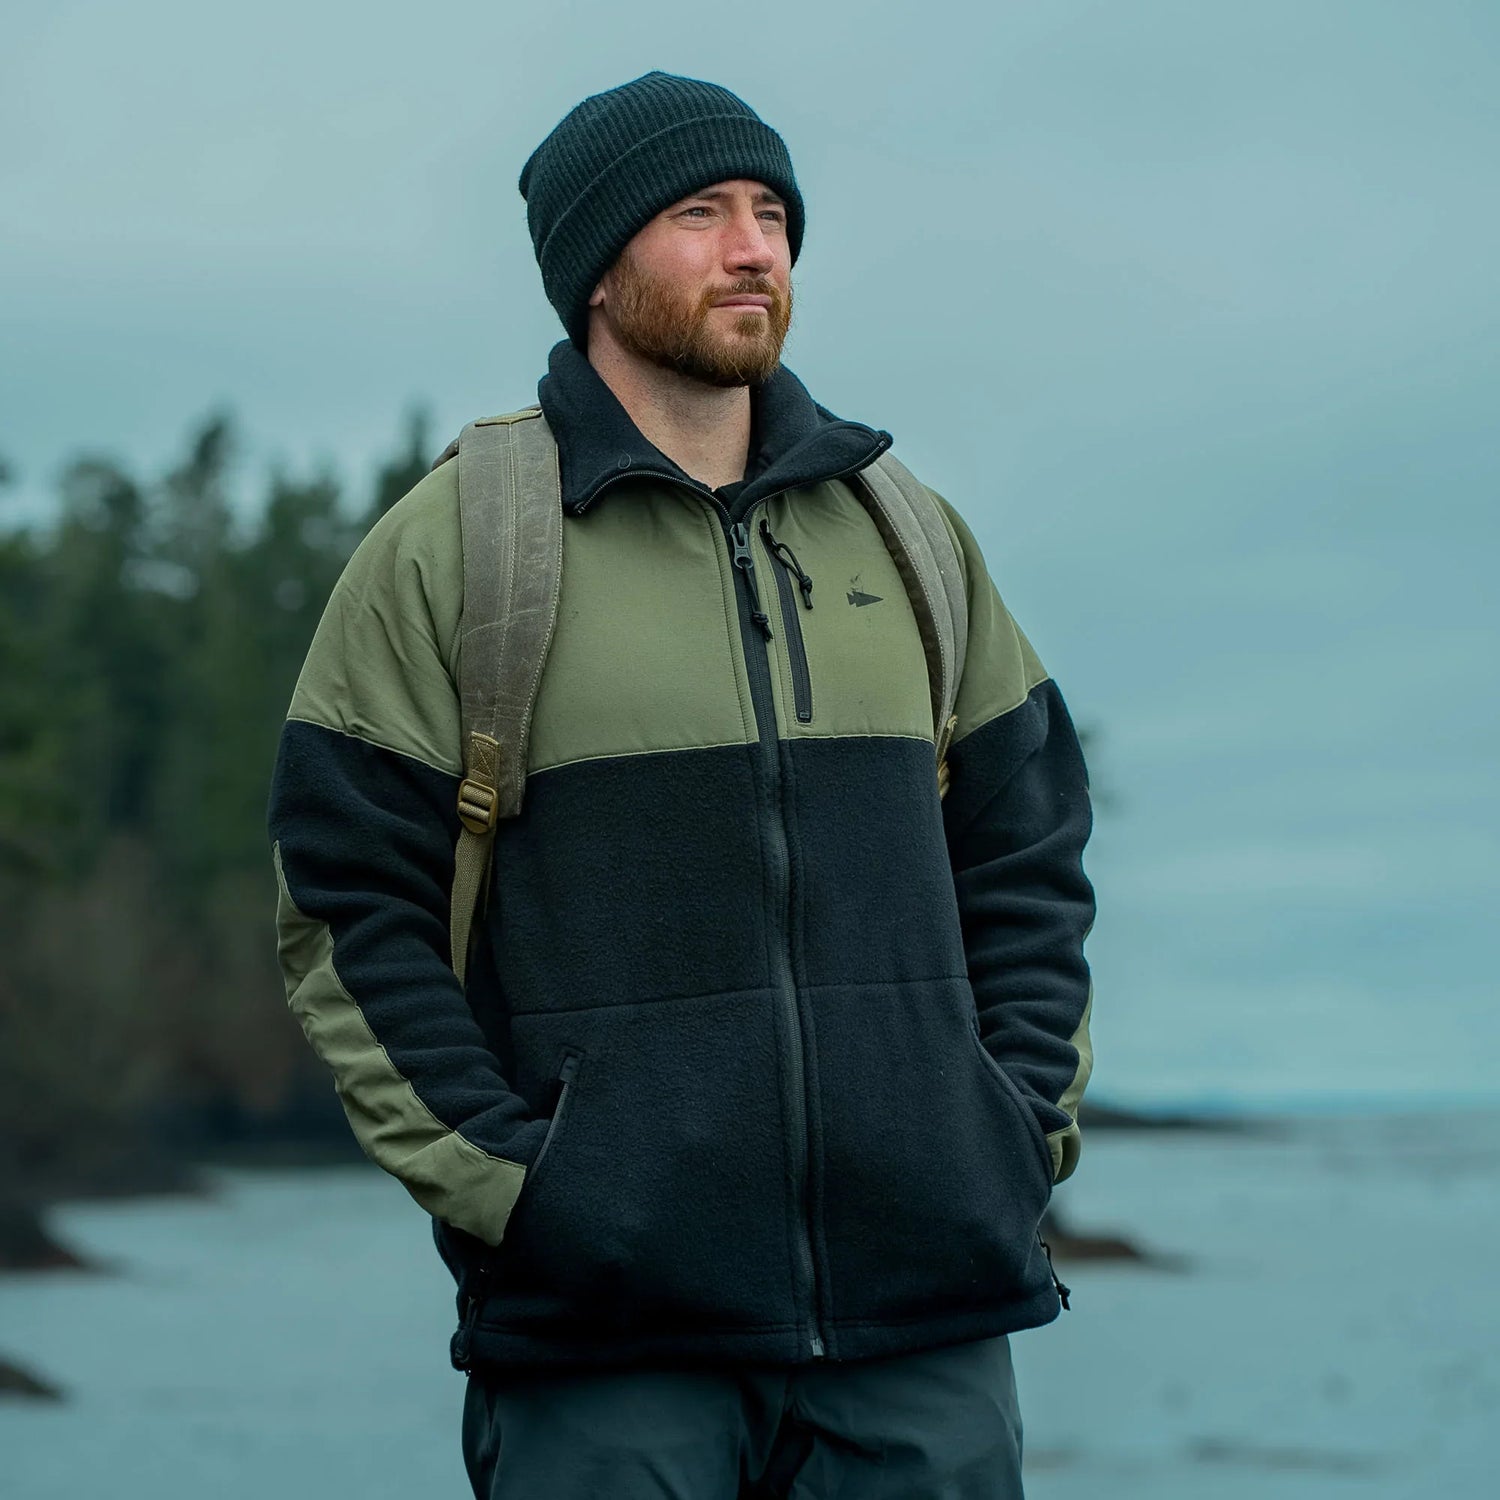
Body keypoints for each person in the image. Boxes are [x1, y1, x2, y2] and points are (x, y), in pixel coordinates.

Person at [268, 70, 1095, 1500]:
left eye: (773, 213)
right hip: (606, 1341)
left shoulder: (910, 535)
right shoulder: (462, 549)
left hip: (926, 1325)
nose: (754, 248)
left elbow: (1029, 861)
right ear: (597, 268)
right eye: (701, 212)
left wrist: (1007, 1130)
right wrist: (527, 1193)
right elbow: (346, 910)